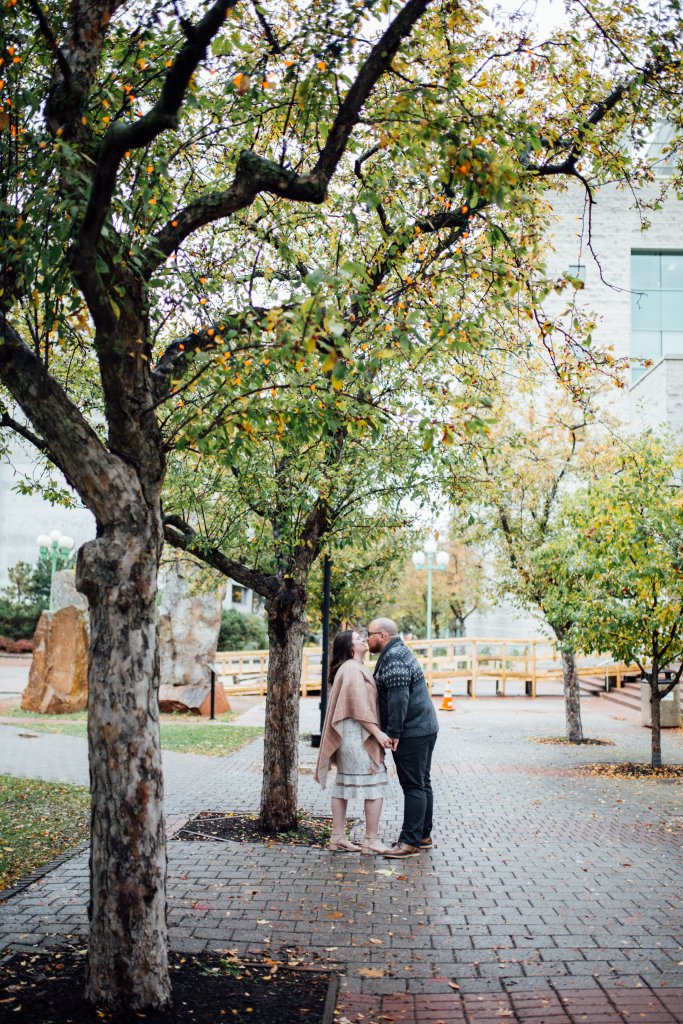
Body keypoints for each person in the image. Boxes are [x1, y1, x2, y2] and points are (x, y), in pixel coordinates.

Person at [314, 629, 393, 854]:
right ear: (350, 647)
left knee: (343, 784)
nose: (364, 640)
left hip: (352, 734)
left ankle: (338, 837)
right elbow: (358, 707)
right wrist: (377, 734)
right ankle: (370, 839)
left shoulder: (353, 667)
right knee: (375, 786)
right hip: (357, 735)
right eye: (359, 639)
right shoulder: (350, 668)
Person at [367, 617, 438, 859]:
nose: (367, 639)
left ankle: (410, 842)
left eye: (370, 634)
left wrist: (394, 733)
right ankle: (422, 835)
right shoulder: (398, 652)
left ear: (383, 636)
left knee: (413, 785)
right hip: (425, 727)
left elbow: (399, 699)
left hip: (412, 730)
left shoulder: (394, 658)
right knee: (422, 782)